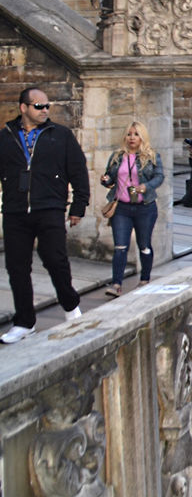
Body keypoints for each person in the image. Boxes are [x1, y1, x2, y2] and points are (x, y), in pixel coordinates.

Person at [1, 88, 89, 343]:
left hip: (49, 206)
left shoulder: (60, 135)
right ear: (23, 108)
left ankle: (71, 308)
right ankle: (24, 322)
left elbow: (78, 171)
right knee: (16, 266)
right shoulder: (6, 137)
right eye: (38, 106)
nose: (44, 110)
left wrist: (78, 206)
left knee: (55, 259)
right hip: (15, 210)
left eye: (47, 106)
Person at [99, 121, 165, 297]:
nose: (132, 138)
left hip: (144, 207)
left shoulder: (152, 156)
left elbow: (159, 177)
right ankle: (116, 284)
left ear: (142, 137)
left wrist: (146, 186)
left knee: (144, 245)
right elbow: (109, 179)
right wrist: (105, 179)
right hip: (122, 207)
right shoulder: (117, 156)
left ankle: (144, 279)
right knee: (120, 246)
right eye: (129, 134)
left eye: (136, 134)